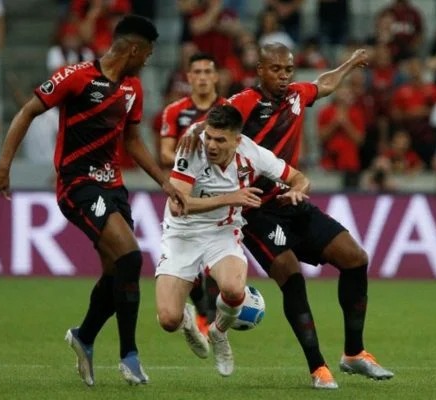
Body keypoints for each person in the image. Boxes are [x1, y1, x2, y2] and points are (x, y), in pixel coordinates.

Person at [0, 15, 186, 387]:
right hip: (77, 186)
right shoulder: (75, 77)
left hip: (114, 188)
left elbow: (132, 140)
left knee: (118, 272)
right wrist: (3, 166)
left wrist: (164, 182)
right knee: (129, 255)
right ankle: (129, 356)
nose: (149, 60)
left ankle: (84, 336)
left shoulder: (132, 89)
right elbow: (28, 111)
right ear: (135, 49)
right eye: (149, 53)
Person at [180, 43, 394, 389]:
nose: (283, 76)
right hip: (255, 210)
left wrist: (350, 63)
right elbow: (212, 124)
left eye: (288, 70)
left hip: (291, 200)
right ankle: (318, 368)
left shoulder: (296, 95)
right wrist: (190, 142)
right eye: (276, 69)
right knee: (292, 277)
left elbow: (323, 84)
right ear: (260, 70)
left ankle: (354, 354)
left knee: (355, 258)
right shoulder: (246, 101)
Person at [156, 104, 310, 377]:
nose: (211, 145)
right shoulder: (192, 148)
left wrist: (297, 191)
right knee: (168, 320)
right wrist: (230, 198)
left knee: (234, 290)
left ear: (237, 141)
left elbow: (299, 177)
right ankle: (189, 321)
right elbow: (179, 204)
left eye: (220, 140)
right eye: (209, 137)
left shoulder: (254, 154)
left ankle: (219, 332)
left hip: (222, 231)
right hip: (182, 233)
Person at [160, 52, 226, 333]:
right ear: (189, 78)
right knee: (189, 261)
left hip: (220, 191)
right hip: (184, 193)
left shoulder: (228, 110)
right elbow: (164, 152)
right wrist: (194, 159)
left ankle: (209, 316)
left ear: (215, 77)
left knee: (216, 257)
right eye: (196, 72)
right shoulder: (175, 111)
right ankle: (202, 310)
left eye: (207, 71)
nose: (201, 77)